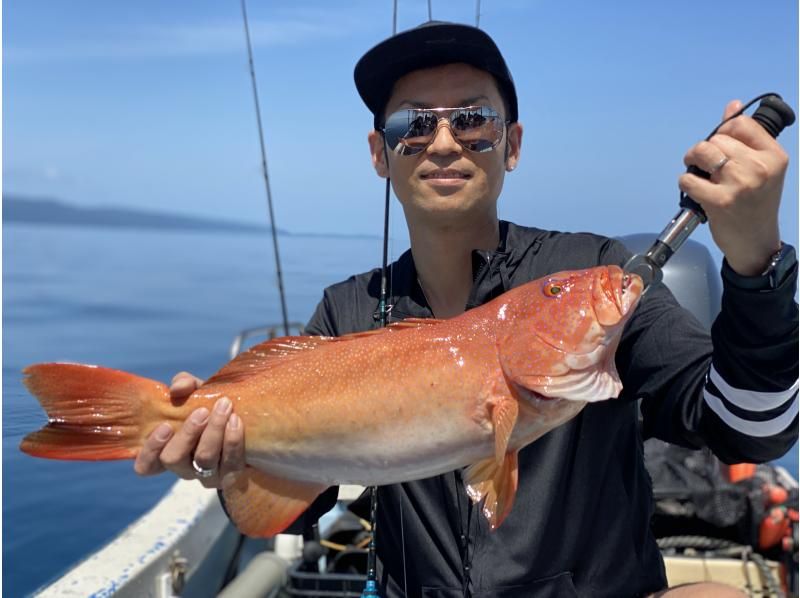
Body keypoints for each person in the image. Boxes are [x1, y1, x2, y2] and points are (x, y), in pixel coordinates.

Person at [133, 22, 798, 598]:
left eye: (472, 118)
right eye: (412, 122)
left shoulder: (591, 272)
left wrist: (754, 261)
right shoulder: (347, 309)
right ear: (380, 154)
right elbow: (299, 508)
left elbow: (751, 428)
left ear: (511, 143)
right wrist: (228, 458)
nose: (444, 140)